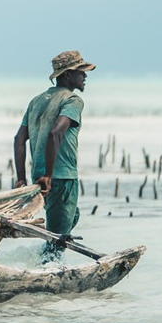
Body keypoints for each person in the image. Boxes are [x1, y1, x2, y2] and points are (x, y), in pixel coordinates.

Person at [13, 50, 94, 262]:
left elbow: (19, 140)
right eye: (81, 72)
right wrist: (49, 174)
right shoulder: (73, 101)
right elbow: (56, 132)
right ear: (68, 75)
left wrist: (21, 179)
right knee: (58, 239)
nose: (85, 76)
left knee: (69, 219)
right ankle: (46, 273)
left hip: (39, 178)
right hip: (61, 177)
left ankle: (42, 259)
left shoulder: (36, 101)